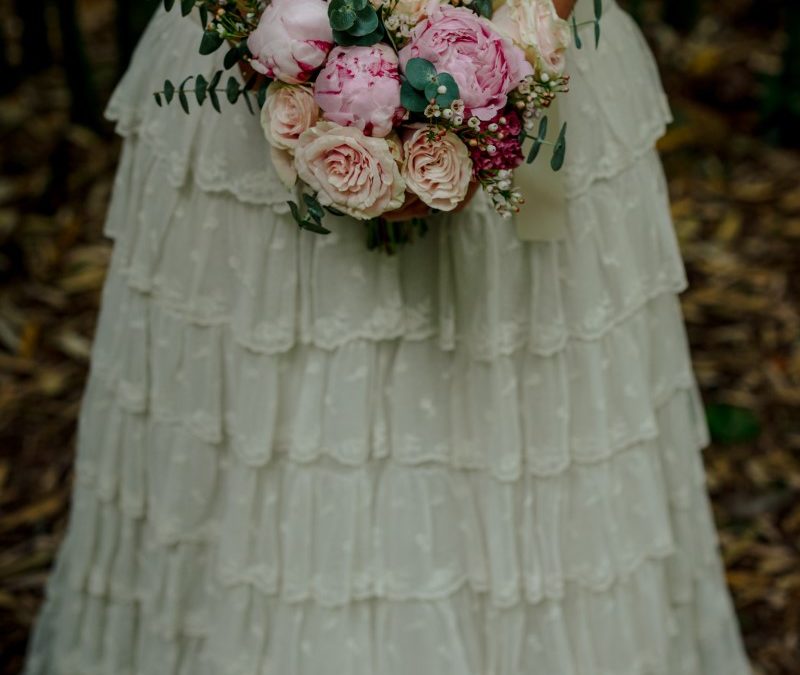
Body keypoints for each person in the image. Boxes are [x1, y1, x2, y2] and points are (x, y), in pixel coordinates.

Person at [23, 0, 754, 673]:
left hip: (524, 68)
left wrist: (510, 58)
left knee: (516, 421)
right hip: (255, 84)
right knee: (261, 421)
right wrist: (273, 47)